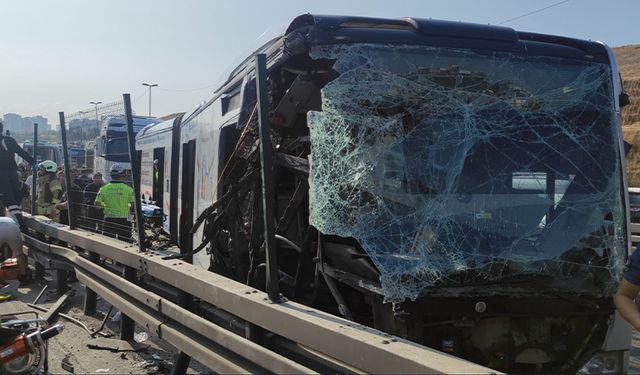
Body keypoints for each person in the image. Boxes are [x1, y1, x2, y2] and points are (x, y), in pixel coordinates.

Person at [0, 121, 34, 227]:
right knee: (15, 195)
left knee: (8, 198)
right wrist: (33, 162)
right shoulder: (9, 140)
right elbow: (21, 152)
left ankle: (20, 224)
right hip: (13, 172)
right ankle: (19, 220)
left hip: (2, 174)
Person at [95, 164, 134, 241]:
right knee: (125, 243)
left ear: (110, 174)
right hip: (124, 220)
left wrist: (105, 205)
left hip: (109, 219)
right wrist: (130, 219)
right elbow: (133, 207)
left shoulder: (103, 189)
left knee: (109, 243)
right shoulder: (129, 189)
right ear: (122, 174)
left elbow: (96, 205)